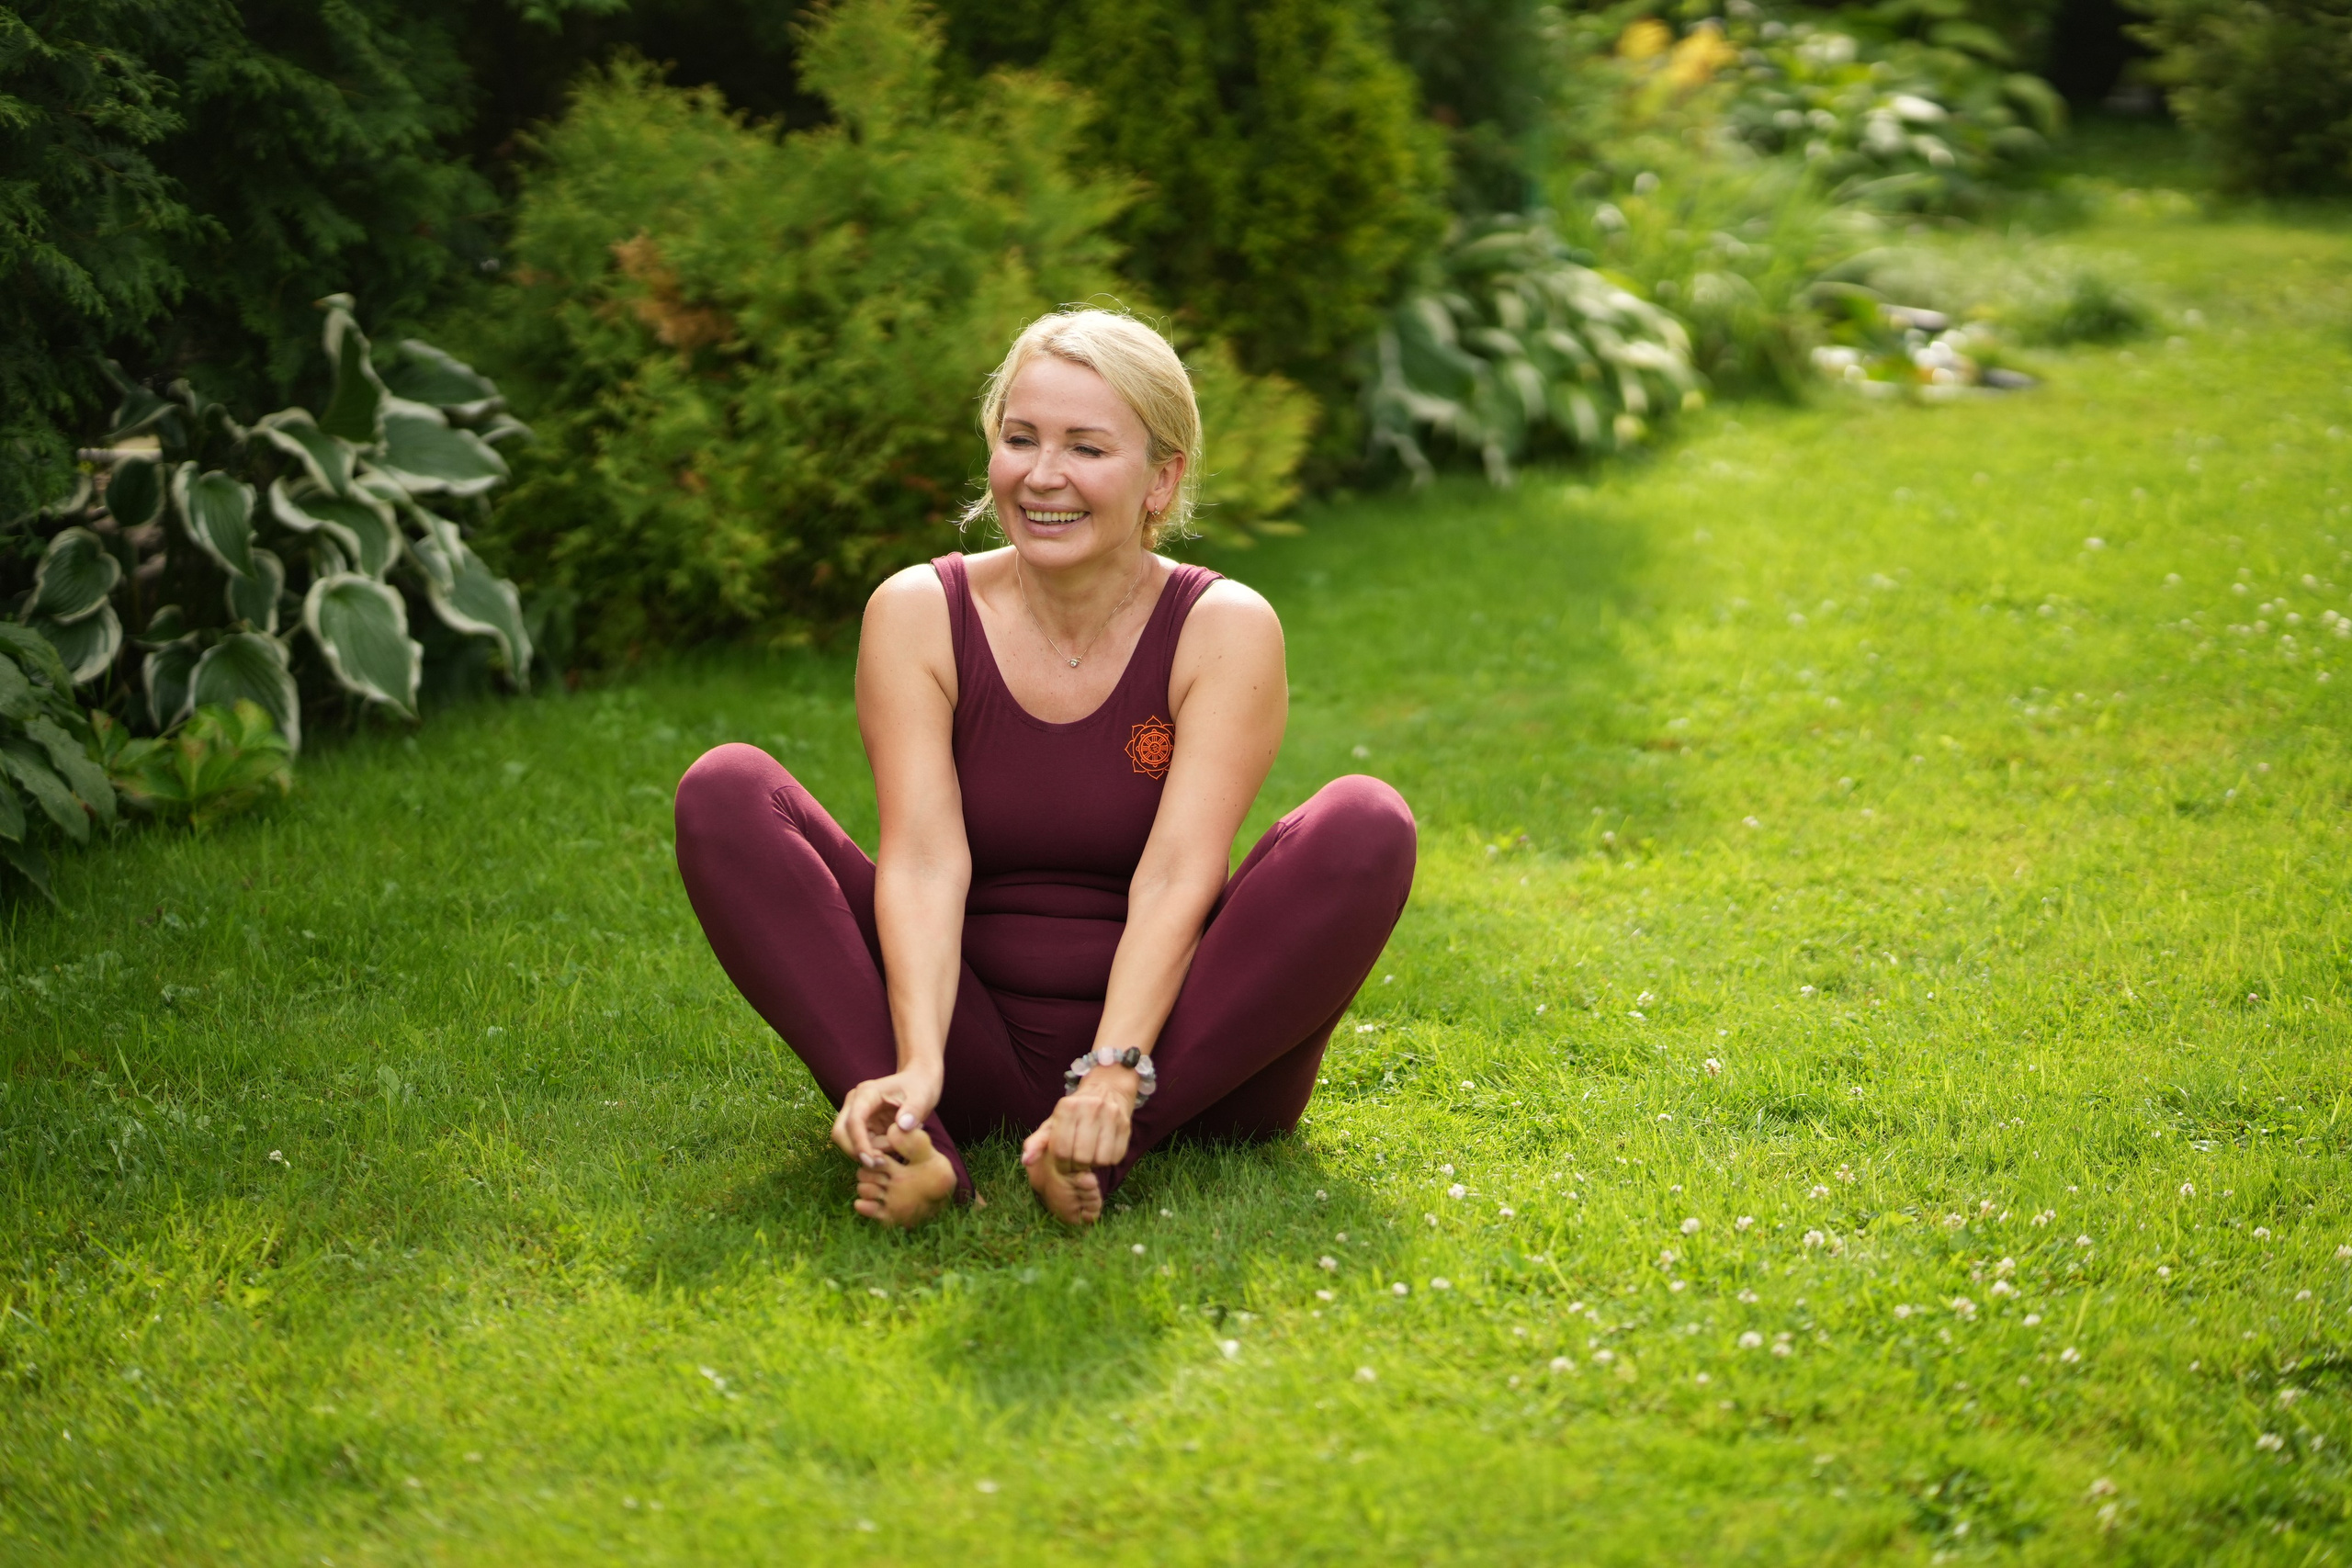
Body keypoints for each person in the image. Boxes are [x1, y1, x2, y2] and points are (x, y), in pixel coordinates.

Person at [673, 309, 1415, 1229]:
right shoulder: (917, 612)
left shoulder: (1223, 628)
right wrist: (919, 1065)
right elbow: (921, 858)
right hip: (971, 1038)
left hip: (1188, 1058)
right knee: (726, 790)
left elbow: (1180, 871)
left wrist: (1113, 1077)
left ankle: (1102, 1152)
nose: (1043, 475)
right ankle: (918, 1142)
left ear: (1162, 477)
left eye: (1086, 447)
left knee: (1366, 821)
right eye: (1019, 439)